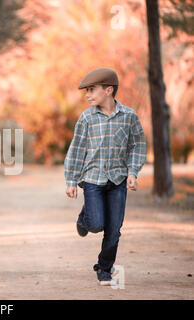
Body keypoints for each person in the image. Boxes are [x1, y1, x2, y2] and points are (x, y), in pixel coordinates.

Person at [64, 67, 146, 285]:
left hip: (118, 180)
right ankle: (85, 217)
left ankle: (104, 267)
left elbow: (137, 145)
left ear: (108, 90)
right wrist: (71, 181)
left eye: (92, 90)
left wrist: (132, 172)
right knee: (96, 224)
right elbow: (77, 149)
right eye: (86, 91)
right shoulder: (86, 118)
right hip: (93, 179)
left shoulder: (129, 116)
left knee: (114, 229)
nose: (87, 95)